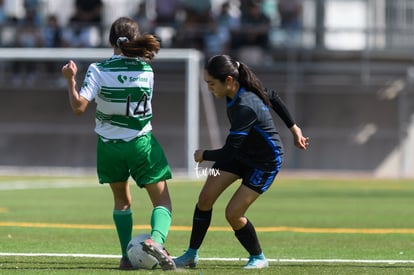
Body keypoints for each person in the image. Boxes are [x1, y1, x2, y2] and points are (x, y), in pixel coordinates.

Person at [61, 17, 176, 271]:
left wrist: (70, 80)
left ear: (111, 40)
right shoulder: (147, 71)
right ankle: (156, 241)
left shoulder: (98, 70)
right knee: (162, 202)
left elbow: (79, 107)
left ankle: (126, 257)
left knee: (122, 202)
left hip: (109, 147)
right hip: (141, 145)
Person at [173, 54, 309, 269]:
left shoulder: (245, 106)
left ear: (228, 80)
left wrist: (204, 154)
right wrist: (294, 128)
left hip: (264, 163)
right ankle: (190, 255)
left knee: (233, 214)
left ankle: (258, 258)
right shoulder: (234, 90)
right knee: (205, 199)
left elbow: (228, 151)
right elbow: (272, 96)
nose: (209, 88)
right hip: (241, 154)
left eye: (211, 84)